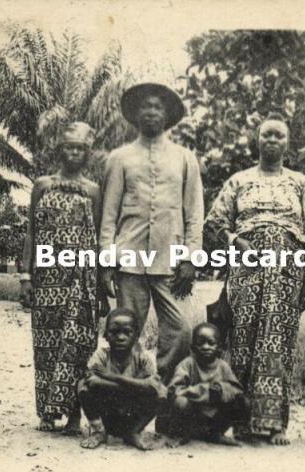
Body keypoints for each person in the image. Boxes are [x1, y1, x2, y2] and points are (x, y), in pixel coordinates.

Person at [204, 113, 305, 445]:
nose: (272, 141)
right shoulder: (239, 180)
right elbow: (213, 224)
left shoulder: (300, 182)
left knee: (279, 341)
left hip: (287, 270)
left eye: (279, 136)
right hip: (247, 268)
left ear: (288, 143)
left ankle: (275, 424)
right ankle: (241, 422)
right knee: (241, 341)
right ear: (256, 140)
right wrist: (235, 241)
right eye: (266, 135)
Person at [99, 82, 204, 428]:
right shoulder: (120, 158)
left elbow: (194, 213)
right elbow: (109, 216)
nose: (151, 112)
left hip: (170, 262)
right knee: (126, 334)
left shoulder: (184, 158)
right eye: (145, 107)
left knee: (182, 331)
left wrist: (191, 257)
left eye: (158, 107)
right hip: (129, 257)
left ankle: (163, 406)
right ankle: (125, 415)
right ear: (135, 115)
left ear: (168, 115)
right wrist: (106, 262)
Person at [19, 121, 102, 435]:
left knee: (78, 345)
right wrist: (26, 277)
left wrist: (100, 286)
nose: (74, 153)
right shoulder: (42, 185)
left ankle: (76, 416)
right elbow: (31, 232)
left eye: (80, 148)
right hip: (47, 278)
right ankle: (48, 412)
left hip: (81, 279)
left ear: (87, 153)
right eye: (69, 146)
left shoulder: (93, 190)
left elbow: (97, 239)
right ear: (60, 149)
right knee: (47, 344)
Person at [78, 308, 167, 451]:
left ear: (136, 335)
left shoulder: (143, 358)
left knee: (161, 392)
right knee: (83, 386)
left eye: (127, 332)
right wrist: (137, 385)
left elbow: (154, 386)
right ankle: (98, 431)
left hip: (132, 416)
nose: (120, 337)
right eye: (114, 332)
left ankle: (135, 432)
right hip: (108, 414)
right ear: (106, 335)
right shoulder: (102, 355)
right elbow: (91, 381)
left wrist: (111, 377)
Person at [166, 323, 248, 447]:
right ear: (193, 347)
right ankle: (182, 434)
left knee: (243, 402)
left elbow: (236, 390)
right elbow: (174, 389)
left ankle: (217, 433)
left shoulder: (222, 366)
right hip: (193, 414)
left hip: (215, 416)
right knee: (180, 402)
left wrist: (220, 390)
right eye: (200, 343)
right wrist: (203, 391)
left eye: (211, 343)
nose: (206, 347)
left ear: (219, 347)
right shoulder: (187, 364)